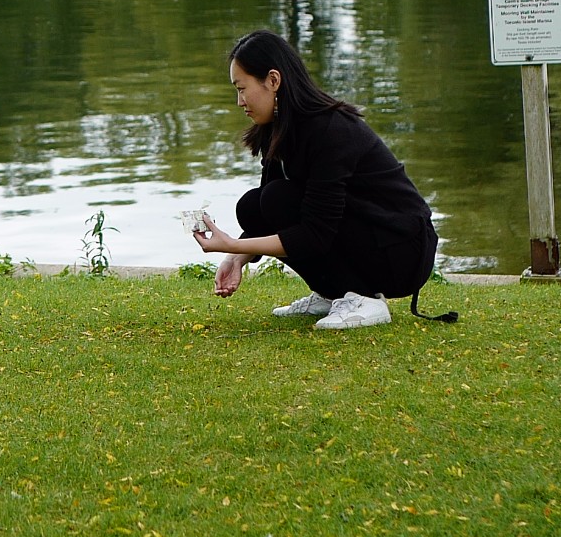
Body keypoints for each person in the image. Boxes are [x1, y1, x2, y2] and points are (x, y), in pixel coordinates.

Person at [190, 29, 455, 329]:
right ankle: (335, 293)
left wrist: (230, 246)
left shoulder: (330, 129)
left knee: (275, 200)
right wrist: (236, 259)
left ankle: (364, 298)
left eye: (242, 88)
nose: (239, 101)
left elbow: (316, 233)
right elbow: (272, 218)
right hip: (366, 237)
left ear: (273, 81)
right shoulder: (278, 129)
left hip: (401, 250)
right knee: (254, 207)